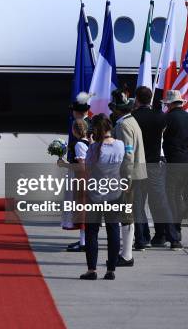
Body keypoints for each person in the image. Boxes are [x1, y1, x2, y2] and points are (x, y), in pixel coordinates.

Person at [80, 114, 124, 281]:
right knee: (113, 230)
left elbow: (88, 169)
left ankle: (92, 269)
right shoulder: (119, 145)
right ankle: (111, 269)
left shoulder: (94, 148)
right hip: (114, 192)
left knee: (92, 232)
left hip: (95, 194)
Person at [131, 86, 175, 248]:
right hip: (155, 165)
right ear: (150, 99)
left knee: (138, 204)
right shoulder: (160, 117)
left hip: (139, 165)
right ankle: (174, 238)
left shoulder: (132, 117)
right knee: (162, 203)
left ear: (137, 99)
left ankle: (142, 239)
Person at [109, 89, 146, 266]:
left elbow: (128, 153)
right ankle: (126, 254)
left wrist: (125, 177)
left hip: (128, 174)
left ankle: (126, 255)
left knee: (126, 214)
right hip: (134, 173)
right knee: (127, 213)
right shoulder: (131, 121)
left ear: (118, 109)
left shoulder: (123, 125)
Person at [162, 90, 188, 250]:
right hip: (185, 161)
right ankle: (177, 230)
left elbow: (162, 137)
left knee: (170, 198)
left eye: (167, 103)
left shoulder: (168, 118)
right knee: (178, 197)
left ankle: (174, 235)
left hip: (172, 161)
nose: (166, 106)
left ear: (172, 103)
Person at [58, 118, 89, 252]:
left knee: (80, 211)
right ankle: (84, 240)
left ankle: (83, 243)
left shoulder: (79, 145)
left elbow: (81, 166)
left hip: (81, 179)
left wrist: (64, 164)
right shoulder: (89, 142)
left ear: (74, 130)